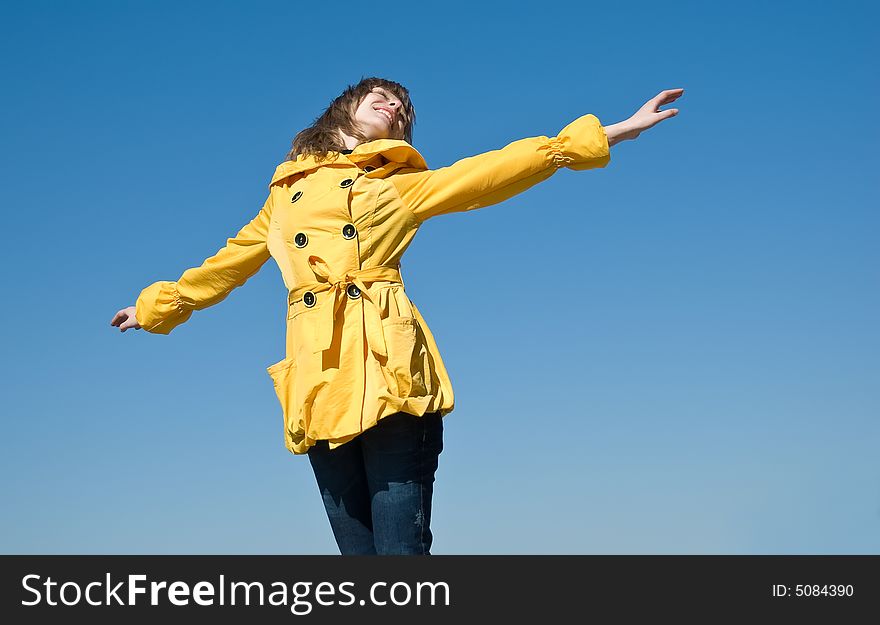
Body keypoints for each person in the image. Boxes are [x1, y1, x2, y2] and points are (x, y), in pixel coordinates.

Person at [111, 77, 684, 555]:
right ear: (344, 109)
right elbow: (228, 263)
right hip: (319, 382)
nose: (394, 106)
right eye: (380, 97)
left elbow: (495, 168)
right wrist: (155, 306)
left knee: (400, 560)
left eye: (402, 107)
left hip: (387, 372)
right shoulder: (282, 197)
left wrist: (608, 133)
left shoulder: (396, 188)